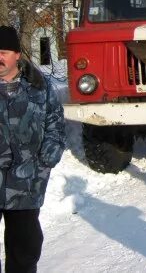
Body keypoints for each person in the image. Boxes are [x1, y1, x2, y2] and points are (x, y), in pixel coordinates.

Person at [0, 25, 66, 272]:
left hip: (27, 184)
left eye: (4, 51)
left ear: (17, 54)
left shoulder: (40, 87)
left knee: (25, 250)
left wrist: (48, 157)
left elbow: (55, 125)